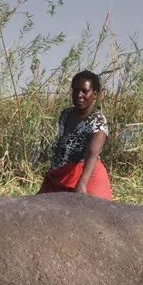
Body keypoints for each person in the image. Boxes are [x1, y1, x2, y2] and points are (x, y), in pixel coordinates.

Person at [38, 70, 112, 200]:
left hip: (86, 177)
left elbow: (92, 153)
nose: (79, 95)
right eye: (76, 90)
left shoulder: (98, 121)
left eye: (85, 91)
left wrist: (82, 183)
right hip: (63, 175)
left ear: (94, 94)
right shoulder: (66, 114)